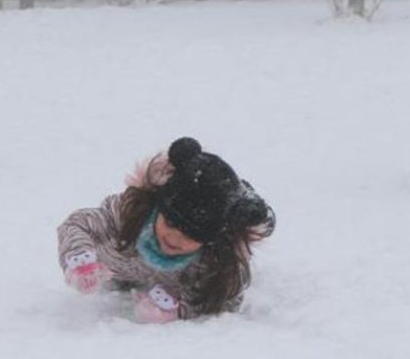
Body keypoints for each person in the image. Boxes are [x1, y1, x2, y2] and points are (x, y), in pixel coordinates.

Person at [57, 137, 275, 322]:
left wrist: (176, 310)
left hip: (165, 283)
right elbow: (79, 224)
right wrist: (80, 258)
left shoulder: (211, 262)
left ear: (208, 240)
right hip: (119, 271)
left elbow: (224, 299)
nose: (173, 238)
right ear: (158, 208)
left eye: (191, 235)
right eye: (170, 223)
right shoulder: (129, 215)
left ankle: (239, 200)